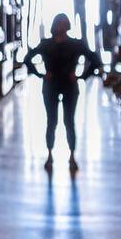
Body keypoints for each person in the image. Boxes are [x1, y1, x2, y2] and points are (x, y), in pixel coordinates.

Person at [23, 14, 101, 174]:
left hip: (69, 86)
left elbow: (95, 60)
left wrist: (81, 76)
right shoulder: (46, 44)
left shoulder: (75, 44)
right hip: (51, 85)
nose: (61, 25)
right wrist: (41, 75)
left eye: (63, 22)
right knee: (51, 121)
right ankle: (50, 154)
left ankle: (72, 156)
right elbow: (28, 58)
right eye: (58, 22)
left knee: (69, 121)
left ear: (67, 25)